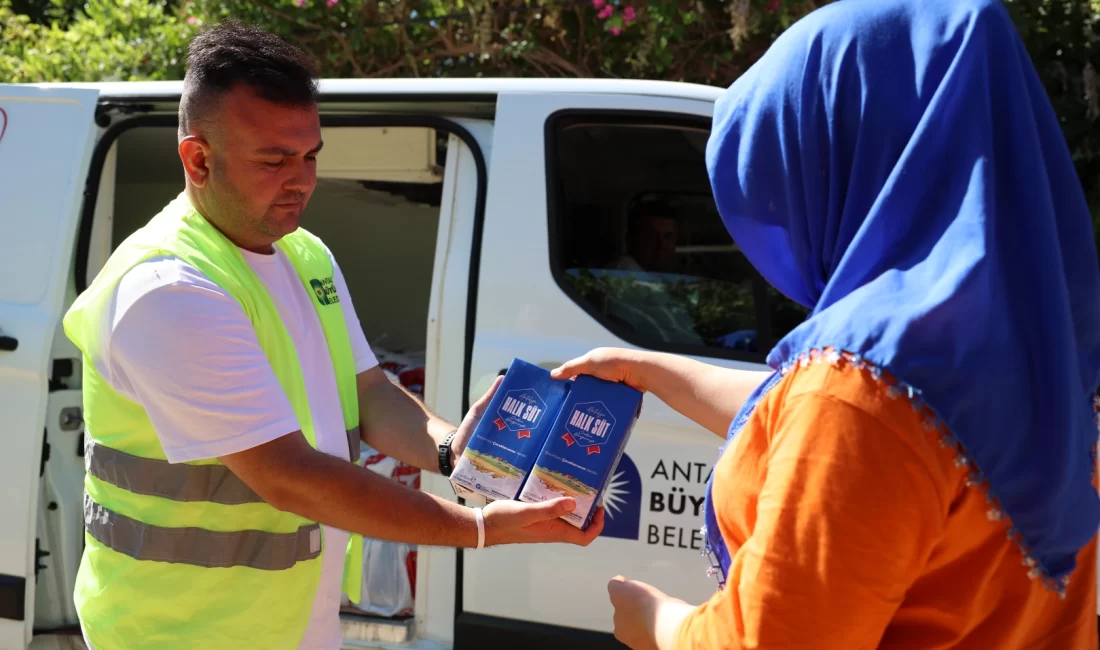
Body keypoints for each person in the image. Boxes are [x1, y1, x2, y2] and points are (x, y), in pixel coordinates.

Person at [552, 0, 1100, 648]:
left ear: (841, 150)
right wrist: (651, 369)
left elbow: (768, 638)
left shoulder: (860, 384)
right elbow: (848, 428)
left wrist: (655, 621)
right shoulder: (1031, 348)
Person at [63, 20, 601, 650]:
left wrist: (458, 452)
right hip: (179, 632)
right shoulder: (170, 291)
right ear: (198, 158)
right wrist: (479, 527)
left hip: (287, 626)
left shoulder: (303, 254)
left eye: (311, 154)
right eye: (275, 159)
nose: (302, 180)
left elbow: (369, 392)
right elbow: (288, 475)